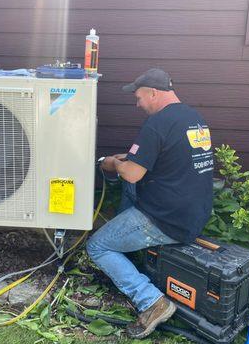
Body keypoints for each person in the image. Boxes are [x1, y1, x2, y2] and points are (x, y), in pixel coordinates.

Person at [86, 68, 213, 339]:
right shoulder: (193, 118)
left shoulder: (157, 123)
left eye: (139, 97)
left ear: (154, 93)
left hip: (167, 220)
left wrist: (109, 163)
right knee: (131, 185)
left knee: (97, 246)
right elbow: (152, 160)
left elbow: (131, 171)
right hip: (195, 212)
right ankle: (128, 254)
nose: (137, 104)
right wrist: (126, 160)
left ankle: (152, 302)